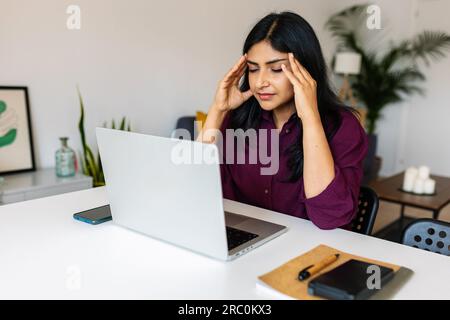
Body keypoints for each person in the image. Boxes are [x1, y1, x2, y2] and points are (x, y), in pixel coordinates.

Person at [197, 12, 368, 230]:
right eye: (253, 69)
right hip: (242, 243)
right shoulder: (238, 118)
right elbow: (195, 191)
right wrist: (218, 110)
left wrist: (310, 118)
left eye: (276, 69)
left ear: (305, 69)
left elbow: (329, 217)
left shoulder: (342, 127)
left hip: (308, 253)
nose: (260, 82)